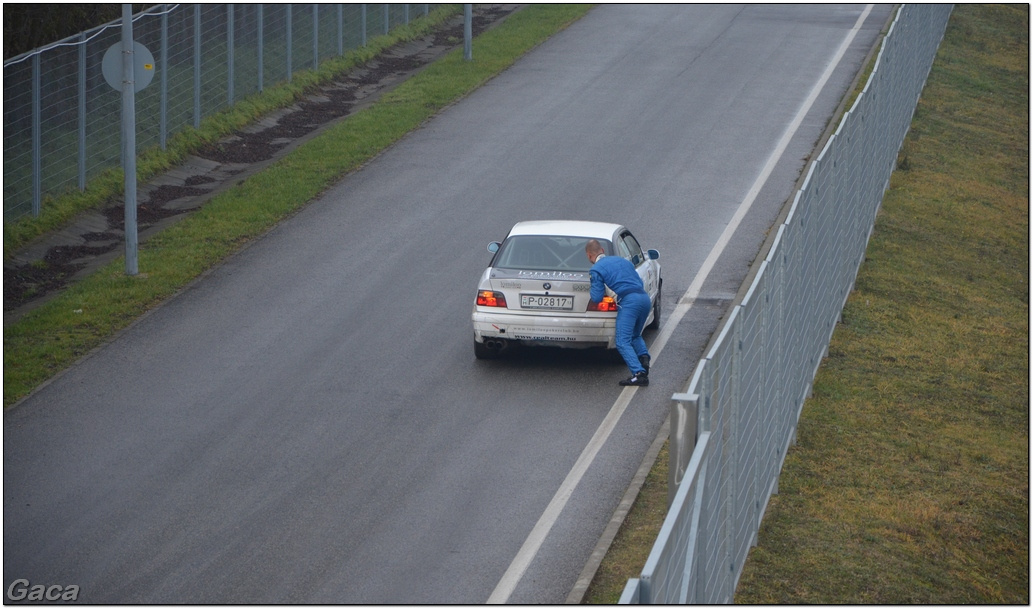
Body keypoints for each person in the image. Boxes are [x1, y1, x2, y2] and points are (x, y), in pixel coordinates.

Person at [585, 239, 652, 386]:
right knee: (635, 334)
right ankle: (643, 358)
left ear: (589, 256)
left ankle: (638, 373)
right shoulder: (623, 261)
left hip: (629, 302)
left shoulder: (596, 269)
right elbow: (638, 281)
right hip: (644, 298)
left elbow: (596, 297)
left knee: (622, 341)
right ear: (602, 250)